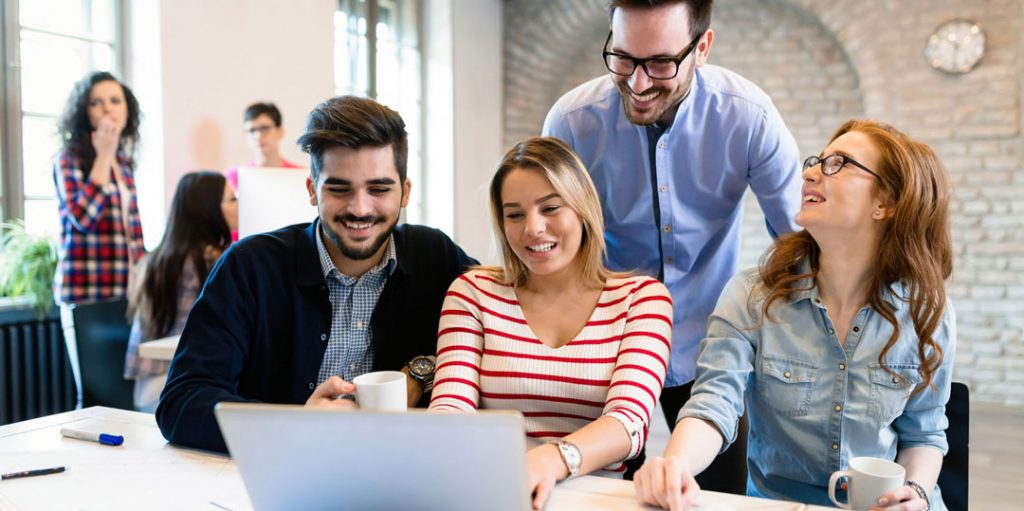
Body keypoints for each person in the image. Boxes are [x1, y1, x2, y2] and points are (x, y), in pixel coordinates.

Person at [542, 0, 802, 486]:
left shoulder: (749, 118)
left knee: (723, 489)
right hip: (604, 340)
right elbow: (554, 248)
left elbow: (799, 240)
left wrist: (774, 333)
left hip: (710, 340)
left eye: (660, 63)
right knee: (588, 486)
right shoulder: (572, 122)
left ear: (702, 47)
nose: (638, 83)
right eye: (623, 58)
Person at [633, 120, 955, 511]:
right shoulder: (753, 296)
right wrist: (675, 466)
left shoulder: (926, 310)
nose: (809, 172)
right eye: (817, 160)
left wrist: (916, 493)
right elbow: (712, 404)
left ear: (885, 203)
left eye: (840, 163)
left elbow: (924, 433)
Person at [156, 96, 477, 453]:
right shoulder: (249, 266)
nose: (360, 208)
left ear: (405, 192)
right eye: (339, 189)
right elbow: (181, 403)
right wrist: (298, 426)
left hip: (401, 473)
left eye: (379, 189)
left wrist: (422, 370)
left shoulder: (434, 255)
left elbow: (509, 320)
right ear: (312, 190)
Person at [428, 137, 673, 510]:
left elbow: (628, 422)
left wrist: (554, 459)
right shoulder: (472, 291)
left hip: (598, 499)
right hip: (494, 491)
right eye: (514, 214)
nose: (533, 228)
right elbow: (450, 408)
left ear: (582, 208)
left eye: (550, 208)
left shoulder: (642, 299)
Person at [124, 171, 236, 412]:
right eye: (232, 199)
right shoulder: (209, 261)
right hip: (177, 390)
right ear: (209, 209)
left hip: (145, 390)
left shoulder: (155, 260)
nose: (239, 205)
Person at [53, 71, 145, 303]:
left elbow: (132, 233)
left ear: (127, 109)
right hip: (86, 291)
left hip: (127, 290)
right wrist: (104, 155)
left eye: (115, 101)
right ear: (85, 113)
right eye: (97, 103)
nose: (107, 109)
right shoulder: (70, 158)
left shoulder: (123, 163)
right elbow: (83, 219)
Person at [223, 102, 303, 192]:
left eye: (265, 128)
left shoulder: (300, 176)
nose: (258, 136)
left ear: (280, 132)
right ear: (245, 135)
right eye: (251, 130)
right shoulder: (233, 178)